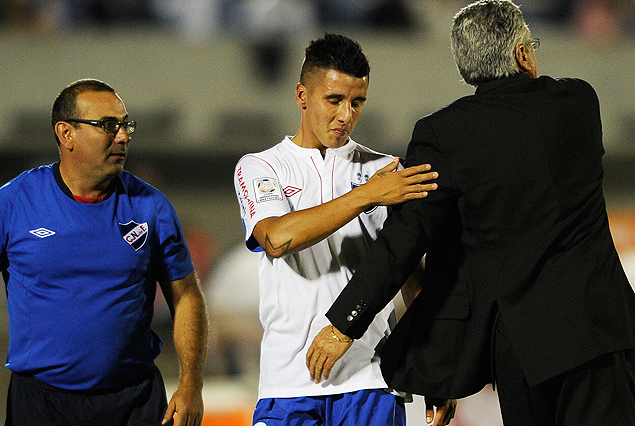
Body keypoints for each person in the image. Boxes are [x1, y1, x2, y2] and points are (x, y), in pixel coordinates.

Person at [306, 2, 635, 425]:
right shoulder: (578, 103)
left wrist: (344, 324)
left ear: (466, 70)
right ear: (522, 54)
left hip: (521, 350)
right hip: (600, 331)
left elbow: (404, 241)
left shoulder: (444, 135)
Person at [234, 33, 454, 426]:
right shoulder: (260, 166)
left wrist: (435, 370)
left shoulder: (386, 171)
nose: (346, 115)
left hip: (369, 381)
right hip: (288, 383)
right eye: (334, 100)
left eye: (357, 102)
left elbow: (412, 278)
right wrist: (366, 196)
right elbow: (277, 238)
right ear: (302, 95)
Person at [0, 79, 209, 426]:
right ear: (66, 134)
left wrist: (191, 383)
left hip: (133, 401)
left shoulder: (151, 207)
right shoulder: (14, 202)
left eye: (126, 125)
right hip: (39, 404)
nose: (124, 136)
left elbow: (186, 295)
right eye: (108, 126)